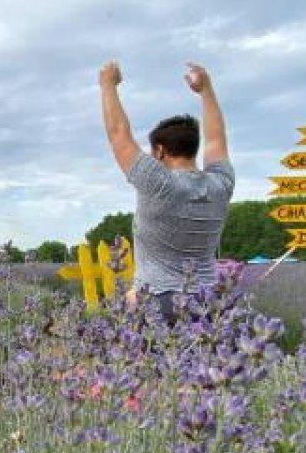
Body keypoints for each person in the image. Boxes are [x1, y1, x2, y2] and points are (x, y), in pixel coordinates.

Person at [99, 60, 233, 323]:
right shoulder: (221, 184)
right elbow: (217, 139)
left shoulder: (159, 183)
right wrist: (206, 90)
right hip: (210, 305)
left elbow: (118, 134)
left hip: (157, 303)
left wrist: (107, 84)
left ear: (159, 151)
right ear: (194, 148)